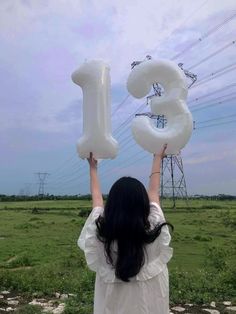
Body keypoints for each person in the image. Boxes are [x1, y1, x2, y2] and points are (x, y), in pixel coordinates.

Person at [77, 145, 173, 314]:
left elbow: (97, 200)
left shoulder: (101, 231)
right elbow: (154, 191)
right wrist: (157, 158)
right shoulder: (154, 225)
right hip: (150, 304)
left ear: (112, 204)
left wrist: (93, 168)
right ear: (143, 204)